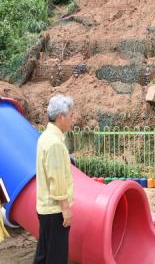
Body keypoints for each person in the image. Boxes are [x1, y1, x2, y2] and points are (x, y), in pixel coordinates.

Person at [34, 94, 74, 264]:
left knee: (44, 254)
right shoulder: (55, 144)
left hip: (45, 208)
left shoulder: (45, 137)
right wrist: (65, 209)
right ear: (60, 117)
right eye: (71, 115)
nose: (73, 120)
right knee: (56, 256)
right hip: (55, 210)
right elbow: (56, 180)